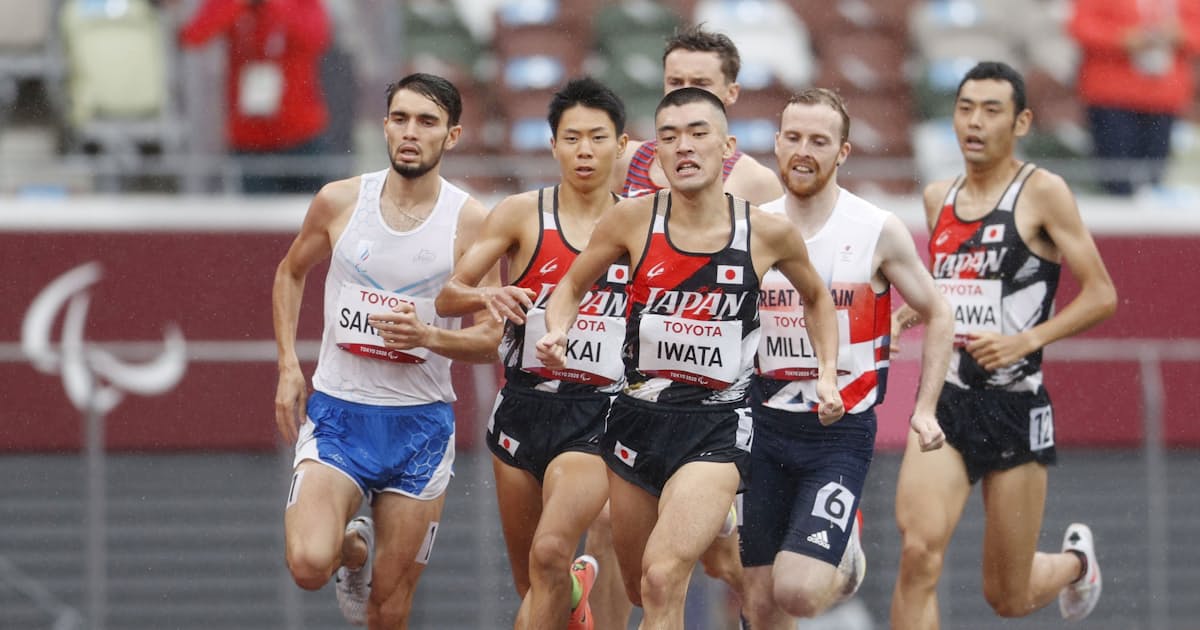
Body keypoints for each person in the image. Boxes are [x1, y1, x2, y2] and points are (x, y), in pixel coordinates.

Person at [538, 87, 844, 629]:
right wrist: (558, 329)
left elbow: (817, 298)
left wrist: (825, 374)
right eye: (670, 136)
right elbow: (572, 285)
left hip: (717, 428)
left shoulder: (766, 231)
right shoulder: (631, 220)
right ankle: (704, 547)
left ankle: (719, 517)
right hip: (637, 421)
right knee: (638, 587)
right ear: (656, 153)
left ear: (726, 147)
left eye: (698, 133)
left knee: (661, 579)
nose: (684, 146)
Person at [889, 61, 1118, 628]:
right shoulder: (938, 197)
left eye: (991, 111)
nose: (974, 122)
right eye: (965, 108)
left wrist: (1026, 341)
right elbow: (953, 286)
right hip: (945, 402)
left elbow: (1102, 294)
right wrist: (907, 315)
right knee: (917, 553)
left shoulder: (1043, 192)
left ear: (1021, 123)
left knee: (1008, 597)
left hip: (1015, 407)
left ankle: (1075, 564)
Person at [272, 73, 501, 628]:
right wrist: (287, 365)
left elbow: (491, 338)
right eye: (400, 119)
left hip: (419, 427)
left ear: (452, 135)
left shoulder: (472, 221)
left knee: (389, 607)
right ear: (384, 126)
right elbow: (290, 272)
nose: (410, 132)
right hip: (340, 414)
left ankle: (367, 565)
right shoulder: (340, 201)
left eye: (426, 121)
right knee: (308, 564)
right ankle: (353, 551)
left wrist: (429, 337)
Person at [739, 88, 953, 628]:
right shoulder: (751, 225)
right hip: (762, 427)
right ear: (776, 143)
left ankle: (844, 559)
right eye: (793, 138)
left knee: (797, 594)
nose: (803, 151)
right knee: (759, 605)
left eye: (819, 141)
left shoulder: (875, 229)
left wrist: (925, 409)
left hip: (837, 433)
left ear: (843, 152)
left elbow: (939, 311)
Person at [434, 77, 631, 630]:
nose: (584, 150)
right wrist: (486, 295)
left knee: (549, 552)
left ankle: (571, 583)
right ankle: (575, 596)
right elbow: (448, 295)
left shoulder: (642, 226)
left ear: (621, 145)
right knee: (535, 585)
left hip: (599, 414)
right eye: (572, 138)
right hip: (522, 406)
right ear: (553, 145)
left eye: (597, 138)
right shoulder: (521, 214)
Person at [613, 25, 783, 205]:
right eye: (675, 82)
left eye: (700, 83)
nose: (685, 92)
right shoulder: (623, 161)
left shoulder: (757, 183)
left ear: (731, 93)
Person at [179, 0, 331, 194]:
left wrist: (274, 4)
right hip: (250, 140)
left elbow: (317, 37)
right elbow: (194, 35)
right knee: (259, 211)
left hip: (301, 134)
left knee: (312, 209)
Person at [1067, 0, 1200, 195]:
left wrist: (1181, 34)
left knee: (1154, 179)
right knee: (1116, 178)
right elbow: (1080, 26)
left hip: (1164, 98)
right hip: (1112, 96)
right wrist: (1122, 38)